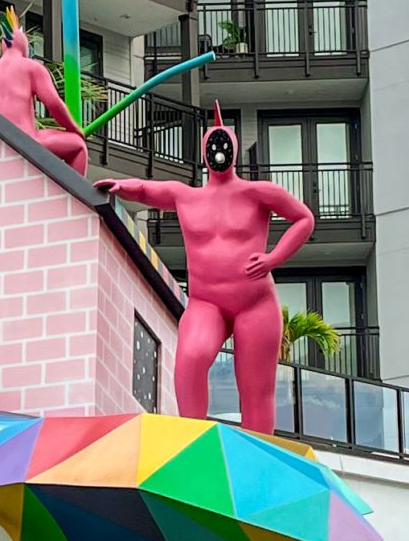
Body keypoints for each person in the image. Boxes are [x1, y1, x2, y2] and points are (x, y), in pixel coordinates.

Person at [94, 111, 314, 429]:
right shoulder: (186, 197)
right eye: (213, 144)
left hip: (255, 302)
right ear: (203, 153)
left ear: (234, 150)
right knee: (191, 360)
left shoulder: (258, 193)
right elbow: (144, 190)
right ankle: (194, 443)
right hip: (206, 302)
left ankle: (256, 460)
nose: (218, 150)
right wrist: (120, 185)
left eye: (223, 143)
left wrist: (273, 258)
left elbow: (304, 218)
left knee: (255, 390)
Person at [0, 21, 90, 173]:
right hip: (26, 140)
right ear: (23, 44)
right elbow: (53, 104)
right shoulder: (31, 67)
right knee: (78, 146)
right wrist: (75, 129)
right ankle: (72, 195)